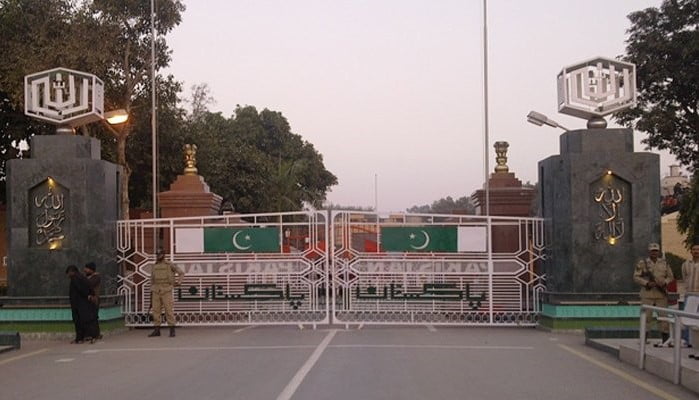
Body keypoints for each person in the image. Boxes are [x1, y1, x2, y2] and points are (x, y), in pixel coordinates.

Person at [633, 243, 674, 344]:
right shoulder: (643, 263)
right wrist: (646, 283)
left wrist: (664, 282)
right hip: (648, 294)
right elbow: (636, 277)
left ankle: (665, 339)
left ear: (659, 251)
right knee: (646, 317)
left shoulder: (664, 263)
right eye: (652, 251)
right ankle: (644, 339)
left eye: (656, 251)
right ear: (649, 251)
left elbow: (671, 276)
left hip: (661, 294)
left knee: (664, 317)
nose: (654, 253)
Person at [148, 249, 184, 337]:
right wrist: (151, 291)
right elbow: (152, 280)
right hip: (156, 290)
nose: (158, 256)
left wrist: (179, 282)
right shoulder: (154, 266)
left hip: (166, 290)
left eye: (159, 254)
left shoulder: (169, 264)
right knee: (156, 311)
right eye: (157, 254)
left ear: (163, 255)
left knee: (169, 310)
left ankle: (172, 330)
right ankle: (157, 330)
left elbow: (181, 273)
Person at [65, 265, 98, 344]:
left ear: (71, 272)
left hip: (78, 303)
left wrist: (87, 295)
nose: (68, 275)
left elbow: (80, 289)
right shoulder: (83, 277)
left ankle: (81, 338)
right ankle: (86, 337)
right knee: (86, 320)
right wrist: (90, 295)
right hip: (84, 303)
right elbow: (90, 287)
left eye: (68, 273)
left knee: (79, 321)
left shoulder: (75, 278)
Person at [682, 243, 699, 358]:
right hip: (689, 294)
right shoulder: (685, 264)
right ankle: (688, 341)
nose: (696, 251)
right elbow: (684, 278)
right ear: (691, 251)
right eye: (694, 249)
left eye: (698, 250)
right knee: (688, 318)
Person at [84, 262, 102, 340]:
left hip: (94, 299)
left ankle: (96, 334)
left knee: (93, 317)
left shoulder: (96, 277)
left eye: (86, 268)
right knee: (88, 317)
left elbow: (89, 284)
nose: (85, 270)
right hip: (88, 300)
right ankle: (89, 334)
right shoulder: (87, 277)